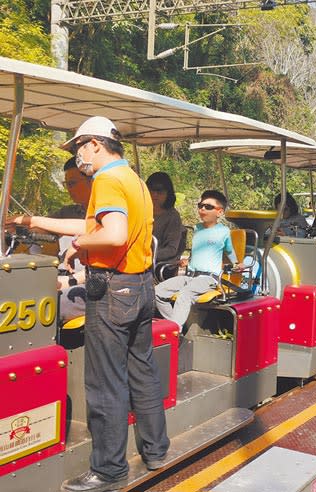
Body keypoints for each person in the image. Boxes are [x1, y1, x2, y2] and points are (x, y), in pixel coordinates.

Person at [59, 116, 169, 491]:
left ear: (94, 143)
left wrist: (78, 246)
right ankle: (155, 451)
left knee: (106, 382)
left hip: (110, 289)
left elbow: (114, 233)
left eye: (78, 149)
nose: (77, 158)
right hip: (140, 286)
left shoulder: (106, 179)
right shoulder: (134, 180)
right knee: (142, 371)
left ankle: (108, 470)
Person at [8, 157, 91, 323]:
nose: (68, 189)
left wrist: (67, 281)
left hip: (88, 284)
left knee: (46, 306)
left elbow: (87, 228)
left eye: (72, 183)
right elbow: (45, 226)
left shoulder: (105, 217)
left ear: (91, 181)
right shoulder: (70, 211)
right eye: (65, 184)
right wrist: (14, 227)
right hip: (61, 277)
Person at [155, 190, 244, 329]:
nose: (202, 209)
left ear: (219, 212)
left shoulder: (223, 231)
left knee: (185, 294)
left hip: (208, 278)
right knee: (157, 292)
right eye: (201, 205)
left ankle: (173, 329)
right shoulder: (197, 228)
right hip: (189, 276)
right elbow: (199, 252)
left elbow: (229, 251)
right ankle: (175, 326)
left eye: (208, 207)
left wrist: (237, 264)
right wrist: (188, 261)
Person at [146, 172, 184, 267]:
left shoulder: (173, 217)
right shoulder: (141, 211)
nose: (155, 195)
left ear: (168, 193)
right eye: (151, 190)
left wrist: (148, 256)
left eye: (160, 191)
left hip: (158, 265)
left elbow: (171, 249)